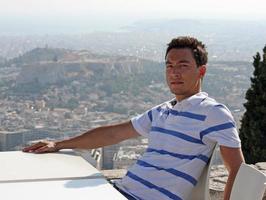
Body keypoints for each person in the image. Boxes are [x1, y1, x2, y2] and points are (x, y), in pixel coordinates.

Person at [23, 36, 245, 200]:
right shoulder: (162, 111)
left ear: (201, 71)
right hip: (119, 191)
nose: (174, 72)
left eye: (183, 65)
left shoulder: (213, 112)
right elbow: (113, 133)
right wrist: (58, 144)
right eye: (169, 66)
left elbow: (237, 169)